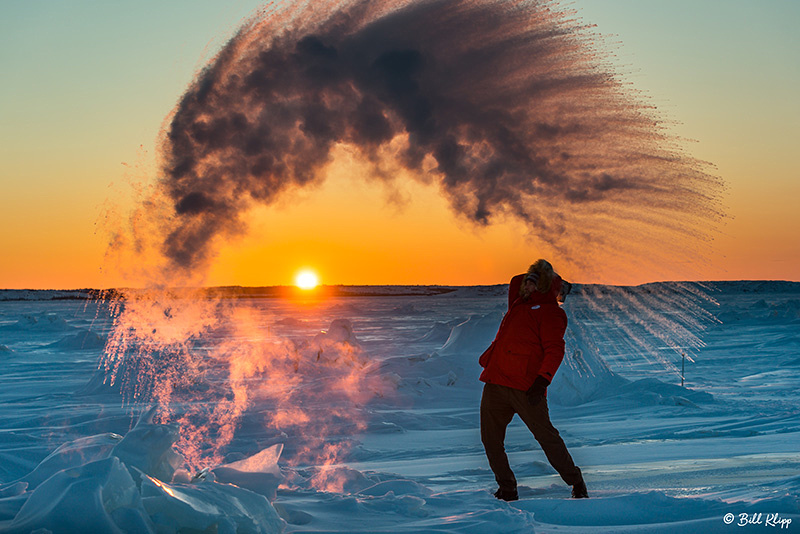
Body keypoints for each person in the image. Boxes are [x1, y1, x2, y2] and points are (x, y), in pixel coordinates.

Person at [478, 259, 587, 501]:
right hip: (496, 382)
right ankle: (507, 488)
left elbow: (555, 349)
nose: (525, 287)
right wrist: (537, 274)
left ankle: (576, 480)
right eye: (527, 282)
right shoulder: (517, 304)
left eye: (532, 284)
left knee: (547, 438)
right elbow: (515, 281)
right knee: (490, 439)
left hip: (527, 388)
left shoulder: (551, 313)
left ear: (543, 286)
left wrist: (542, 381)